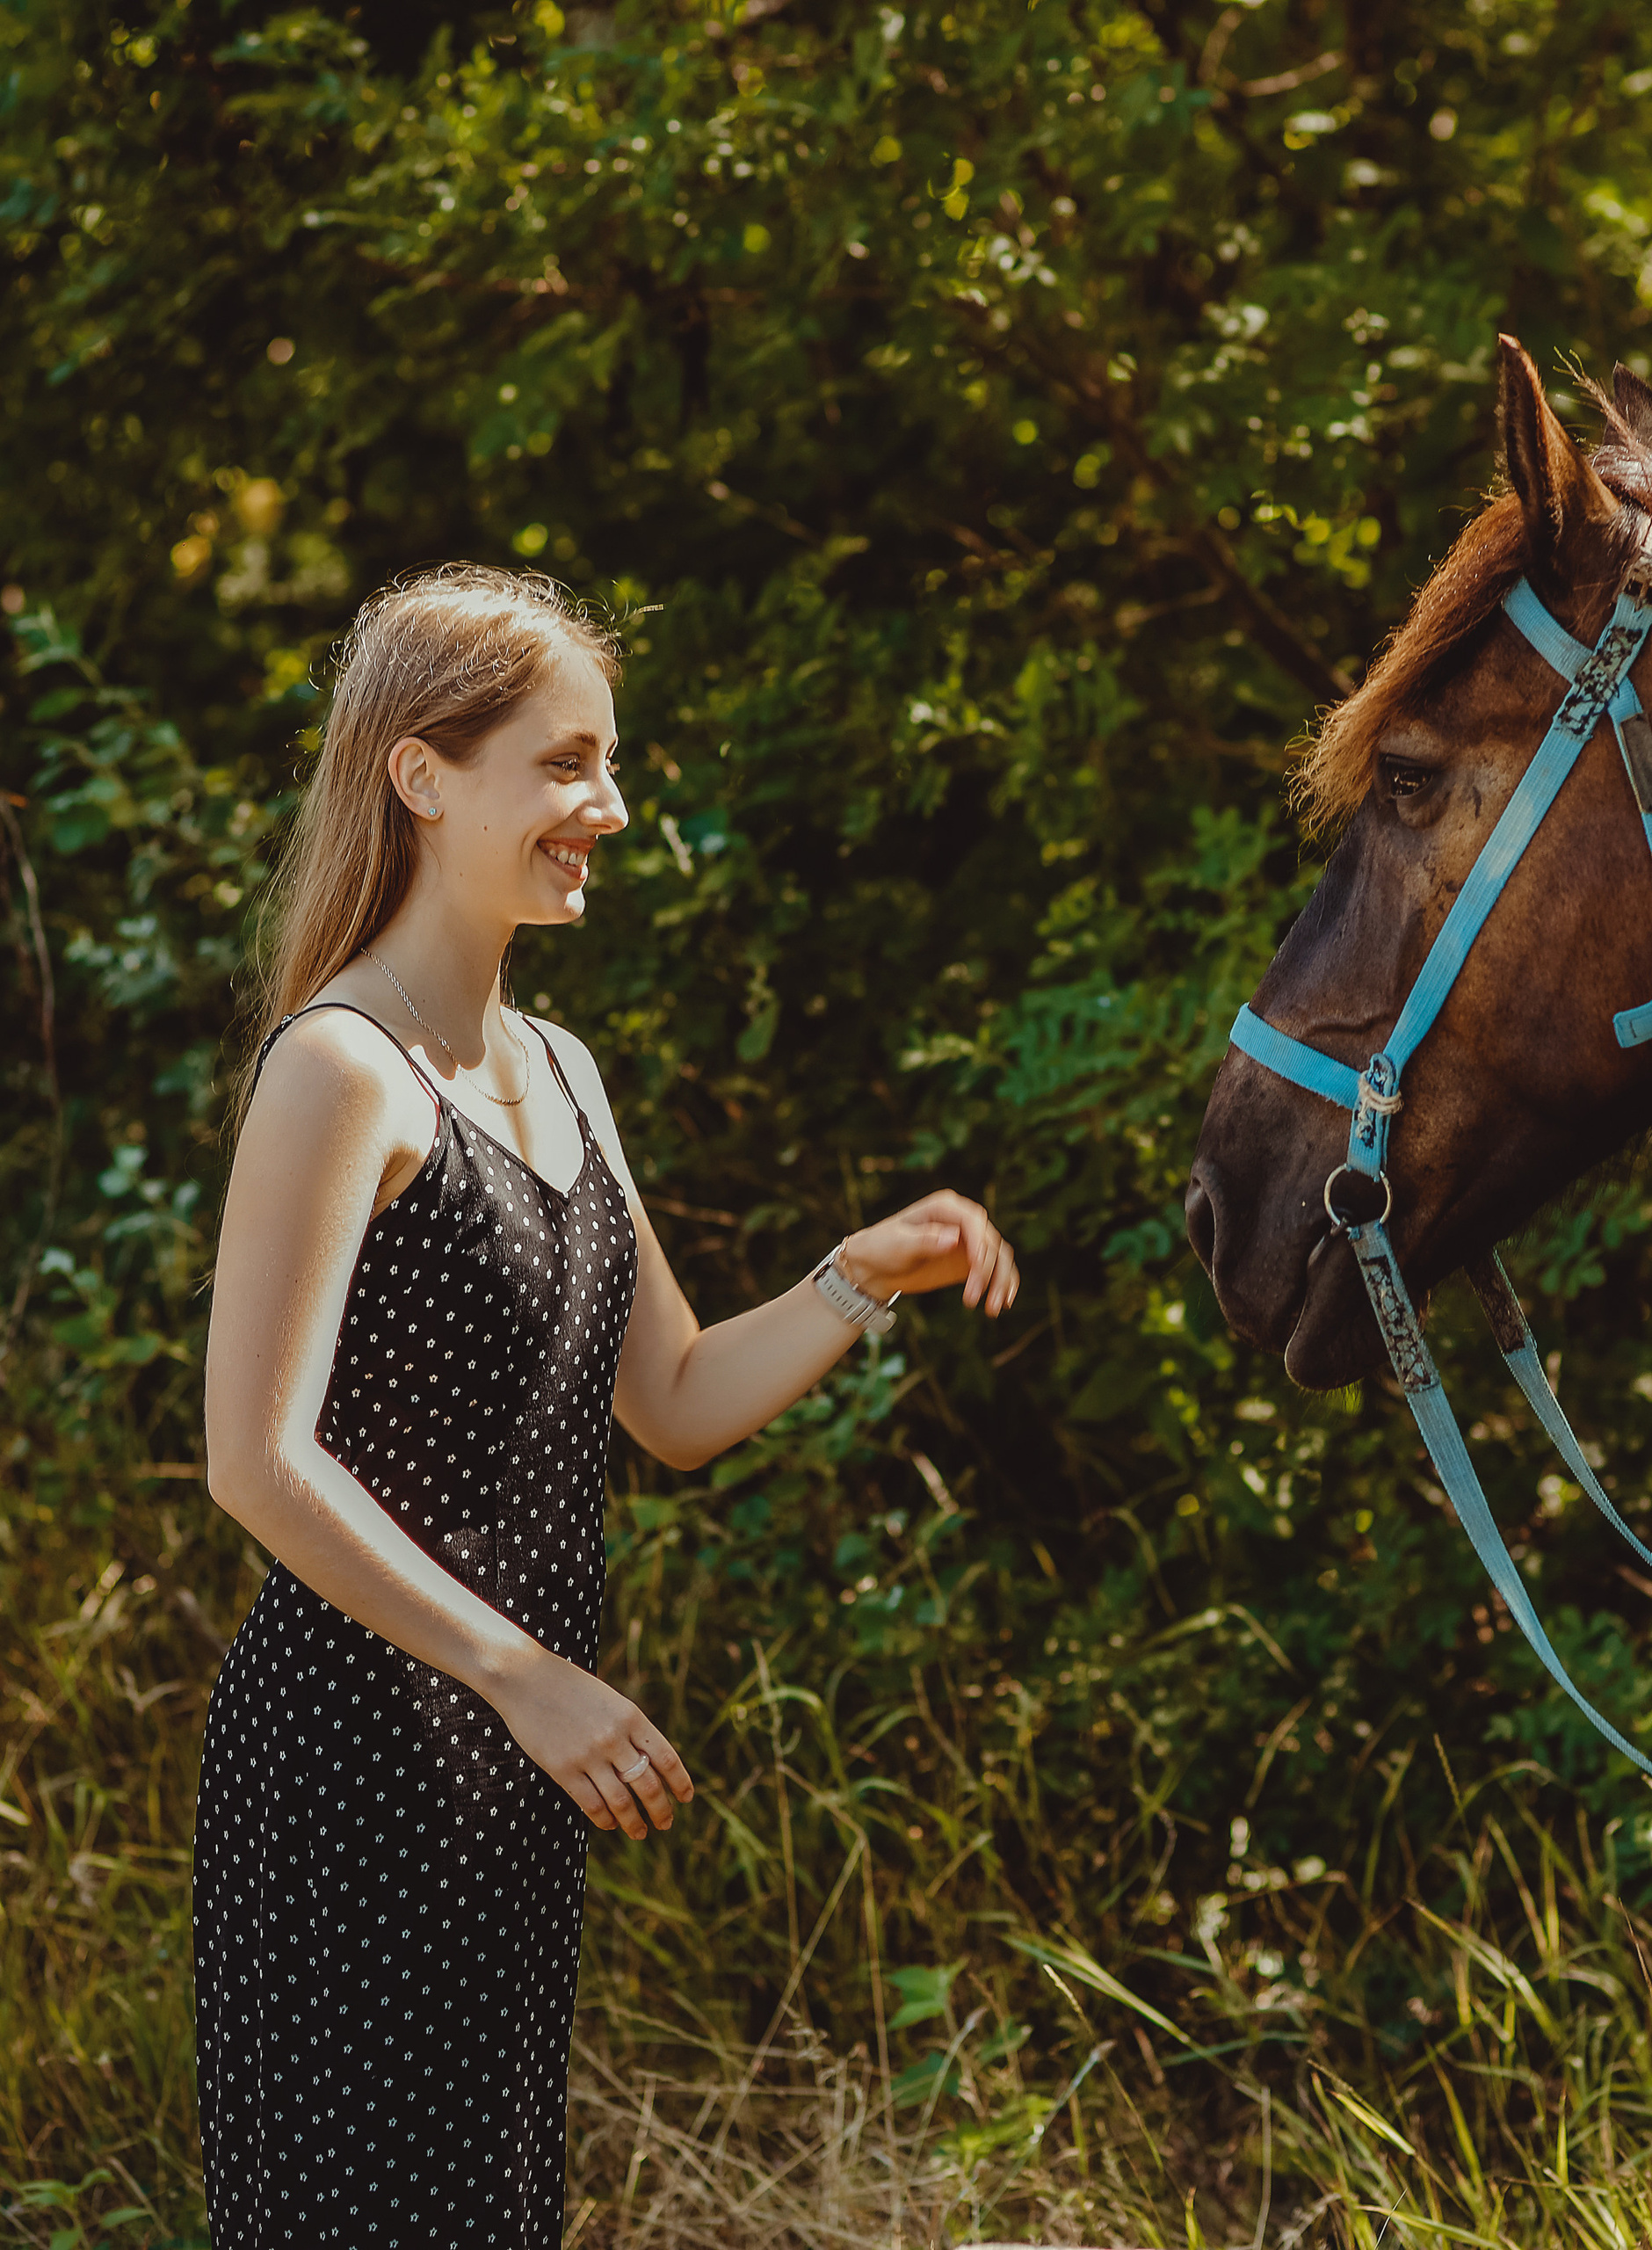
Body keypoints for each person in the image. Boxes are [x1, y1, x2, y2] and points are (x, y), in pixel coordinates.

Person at [193, 563, 1018, 2246]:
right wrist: (527, 1677)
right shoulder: (342, 1067)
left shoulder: (561, 1068)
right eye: (566, 766)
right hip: (354, 1761)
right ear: (424, 775)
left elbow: (675, 1398)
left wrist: (858, 1279)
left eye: (611, 764)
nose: (611, 809)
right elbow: (256, 1466)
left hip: (509, 1767)